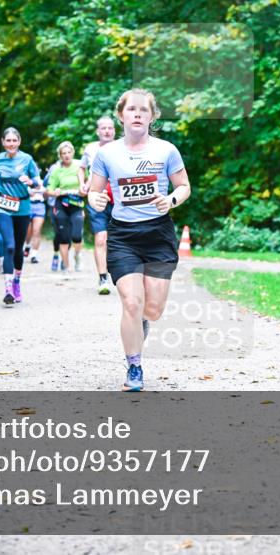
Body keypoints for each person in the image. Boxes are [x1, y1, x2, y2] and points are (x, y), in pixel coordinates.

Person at [87, 89, 190, 392]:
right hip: (123, 237)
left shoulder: (166, 150)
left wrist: (170, 200)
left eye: (143, 110)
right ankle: (134, 365)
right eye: (131, 109)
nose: (137, 114)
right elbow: (95, 190)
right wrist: (95, 200)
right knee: (132, 302)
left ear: (152, 116)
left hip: (158, 234)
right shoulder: (106, 154)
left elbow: (183, 186)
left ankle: (141, 323)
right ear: (121, 115)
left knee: (152, 309)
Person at [0, 128, 41, 305]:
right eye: (8, 141)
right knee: (9, 246)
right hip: (3, 205)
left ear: (19, 142)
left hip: (23, 206)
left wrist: (31, 182)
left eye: (14, 141)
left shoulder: (27, 159)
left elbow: (38, 182)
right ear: (3, 142)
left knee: (18, 248)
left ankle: (17, 282)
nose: (11, 144)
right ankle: (8, 289)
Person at [79, 116, 116, 294]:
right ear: (98, 131)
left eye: (110, 128)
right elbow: (81, 168)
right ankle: (103, 278)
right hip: (97, 198)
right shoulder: (91, 149)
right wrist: (82, 183)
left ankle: (123, 274)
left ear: (114, 131)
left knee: (117, 240)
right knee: (101, 238)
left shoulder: (123, 147)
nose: (107, 131)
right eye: (103, 128)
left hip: (119, 200)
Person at [47, 141, 85, 274]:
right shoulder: (57, 170)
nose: (67, 155)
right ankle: (67, 266)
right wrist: (55, 191)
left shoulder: (80, 166)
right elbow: (49, 190)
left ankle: (77, 256)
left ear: (73, 153)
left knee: (76, 236)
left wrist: (83, 189)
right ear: (60, 156)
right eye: (64, 153)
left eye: (69, 152)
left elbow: (87, 183)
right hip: (61, 204)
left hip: (76, 204)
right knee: (63, 237)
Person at [24, 172, 47, 263]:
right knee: (27, 232)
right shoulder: (25, 183)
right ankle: (27, 246)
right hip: (28, 206)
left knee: (36, 231)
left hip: (39, 206)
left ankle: (34, 255)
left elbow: (47, 194)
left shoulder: (42, 182)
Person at [44, 159, 62, 271]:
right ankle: (56, 254)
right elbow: (44, 190)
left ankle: (64, 257)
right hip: (54, 206)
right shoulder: (52, 170)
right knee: (58, 233)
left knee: (68, 234)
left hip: (70, 206)